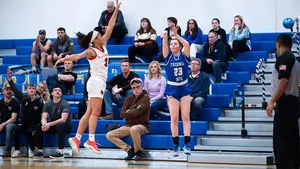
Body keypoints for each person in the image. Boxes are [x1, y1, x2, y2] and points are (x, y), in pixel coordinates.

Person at [55, 0, 121, 155]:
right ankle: (90, 140)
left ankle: (77, 138)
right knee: (96, 112)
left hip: (98, 82)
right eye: (98, 33)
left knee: (89, 111)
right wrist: (65, 59)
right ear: (94, 39)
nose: (101, 33)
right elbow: (78, 55)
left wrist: (116, 9)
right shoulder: (91, 50)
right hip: (96, 81)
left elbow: (111, 25)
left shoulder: (103, 43)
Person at [266, 33, 300, 169]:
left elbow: (284, 80)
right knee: (292, 141)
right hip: (293, 103)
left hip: (285, 104)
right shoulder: (296, 60)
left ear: (278, 43)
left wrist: (271, 101)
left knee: (282, 143)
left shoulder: (284, 57)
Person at [162, 27, 192, 156]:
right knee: (174, 118)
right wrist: (165, 37)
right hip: (172, 88)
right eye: (171, 43)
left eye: (175, 43)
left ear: (179, 46)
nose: (173, 45)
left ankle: (187, 143)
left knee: (185, 117)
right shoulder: (167, 57)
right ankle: (175, 144)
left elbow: (187, 44)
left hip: (184, 87)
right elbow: (164, 45)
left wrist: (176, 35)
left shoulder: (185, 56)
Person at [106, 78, 150, 160]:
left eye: (138, 87)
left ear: (142, 87)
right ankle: (129, 149)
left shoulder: (146, 98)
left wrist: (129, 112)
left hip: (143, 125)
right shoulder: (129, 99)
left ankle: (139, 152)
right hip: (128, 125)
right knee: (109, 135)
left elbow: (139, 112)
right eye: (133, 88)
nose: (136, 89)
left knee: (134, 129)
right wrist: (132, 112)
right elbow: (122, 114)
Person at [7, 69, 44, 158]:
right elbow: (15, 90)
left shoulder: (39, 101)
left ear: (35, 90)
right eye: (30, 88)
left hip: (35, 124)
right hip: (24, 123)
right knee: (16, 130)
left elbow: (43, 114)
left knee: (32, 132)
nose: (31, 90)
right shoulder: (23, 99)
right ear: (27, 90)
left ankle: (31, 150)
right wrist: (10, 79)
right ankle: (17, 150)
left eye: (33, 88)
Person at [34, 85, 72, 158]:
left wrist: (49, 124)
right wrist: (44, 124)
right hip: (53, 125)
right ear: (52, 93)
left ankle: (60, 152)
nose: (57, 91)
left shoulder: (65, 103)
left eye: (59, 90)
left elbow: (63, 119)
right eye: (55, 90)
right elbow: (44, 117)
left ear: (61, 94)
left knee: (60, 124)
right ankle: (40, 151)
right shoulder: (48, 103)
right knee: (39, 126)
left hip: (65, 126)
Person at [0, 83, 19, 157]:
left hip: (13, 125)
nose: (9, 91)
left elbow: (13, 119)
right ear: (3, 91)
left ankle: (7, 151)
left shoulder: (15, 103)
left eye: (10, 89)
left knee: (9, 126)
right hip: (2, 124)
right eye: (7, 89)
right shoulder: (0, 102)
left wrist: (2, 124)